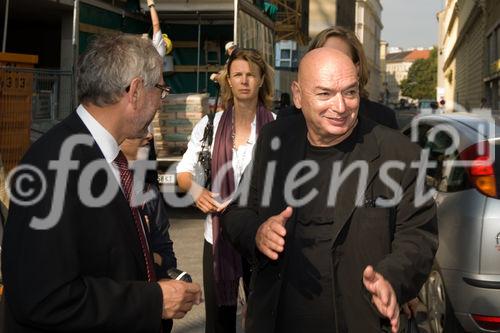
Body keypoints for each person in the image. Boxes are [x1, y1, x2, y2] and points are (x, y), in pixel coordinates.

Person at [221, 48, 438, 333]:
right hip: (277, 320)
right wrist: (259, 232)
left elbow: (418, 236)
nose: (340, 106)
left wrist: (392, 278)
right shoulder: (275, 140)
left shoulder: (399, 153)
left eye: (350, 93)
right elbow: (238, 212)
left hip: (360, 320)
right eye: (324, 94)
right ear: (298, 95)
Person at [2, 33, 202, 333]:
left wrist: (160, 275)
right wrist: (152, 300)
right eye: (160, 88)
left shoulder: (105, 156)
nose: (162, 99)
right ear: (135, 91)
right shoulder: (53, 164)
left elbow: (105, 257)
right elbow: (42, 298)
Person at [176, 48, 275, 333]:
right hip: (218, 237)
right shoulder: (210, 125)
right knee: (219, 322)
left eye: (250, 75)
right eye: (238, 75)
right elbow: (184, 173)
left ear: (260, 80)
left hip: (262, 237)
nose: (244, 81)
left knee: (264, 319)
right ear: (228, 81)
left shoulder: (276, 127)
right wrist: (196, 191)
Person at [278, 26, 399, 130]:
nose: (332, 65)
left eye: (341, 59)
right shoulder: (286, 120)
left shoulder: (382, 119)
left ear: (357, 68)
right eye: (324, 58)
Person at [121, 132, 177, 279]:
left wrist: (146, 254)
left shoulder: (150, 194)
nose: (150, 135)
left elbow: (169, 261)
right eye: (140, 128)